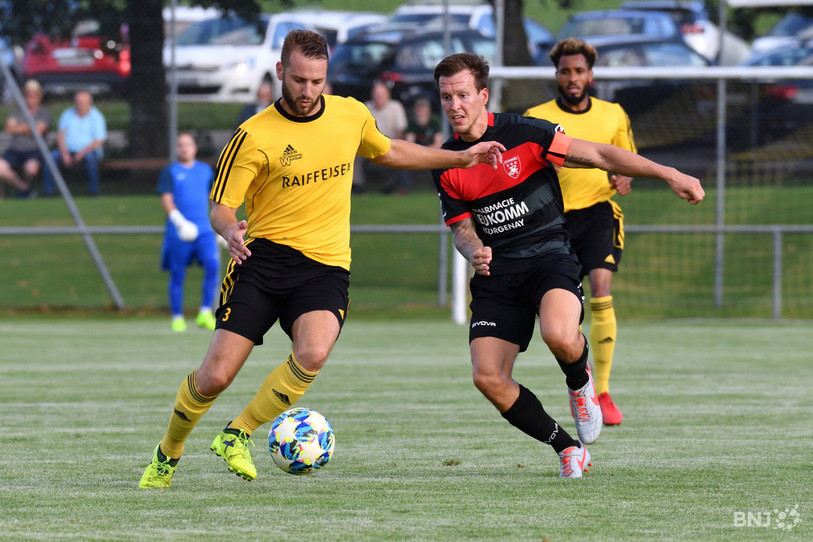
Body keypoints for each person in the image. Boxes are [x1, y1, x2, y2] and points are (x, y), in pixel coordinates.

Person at [139, 30, 505, 489]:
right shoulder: (252, 135)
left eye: (317, 81)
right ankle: (168, 453)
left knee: (313, 351)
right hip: (262, 260)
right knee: (214, 376)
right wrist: (230, 229)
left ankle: (238, 433)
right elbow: (221, 207)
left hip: (325, 265)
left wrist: (460, 159)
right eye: (299, 80)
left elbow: (390, 149)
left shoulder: (350, 114)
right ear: (280, 72)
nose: (308, 91)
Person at [431, 53, 704, 478]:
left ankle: (579, 381)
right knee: (487, 377)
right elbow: (462, 230)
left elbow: (599, 154)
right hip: (498, 275)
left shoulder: (526, 132)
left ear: (483, 95)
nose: (454, 105)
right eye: (446, 97)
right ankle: (567, 448)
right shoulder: (447, 161)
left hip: (548, 257)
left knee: (559, 335)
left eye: (463, 95)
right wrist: (474, 249)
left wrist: (669, 173)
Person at [524, 38, 636, 426]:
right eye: (565, 71)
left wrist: (625, 178)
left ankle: (602, 391)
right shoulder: (536, 117)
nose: (572, 78)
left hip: (599, 214)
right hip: (552, 222)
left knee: (602, 288)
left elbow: (626, 161)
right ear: (556, 75)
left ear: (591, 75)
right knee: (560, 311)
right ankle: (580, 369)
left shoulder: (613, 114)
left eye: (579, 71)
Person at [158, 132, 221, 333]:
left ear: (195, 148)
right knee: (178, 273)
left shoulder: (205, 170)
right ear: (176, 149)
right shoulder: (170, 171)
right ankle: (177, 317)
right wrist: (180, 222)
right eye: (180, 145)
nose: (184, 148)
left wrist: (220, 227)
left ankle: (205, 312)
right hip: (179, 232)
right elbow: (166, 200)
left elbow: (213, 199)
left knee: (213, 265)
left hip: (204, 231)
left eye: (188, 144)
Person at [42, 90, 107, 197]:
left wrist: (81, 153)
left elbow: (98, 141)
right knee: (50, 157)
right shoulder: (67, 114)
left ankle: (94, 191)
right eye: (78, 102)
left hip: (88, 151)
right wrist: (65, 154)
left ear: (89, 103)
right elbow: (61, 136)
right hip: (67, 151)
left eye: (83, 102)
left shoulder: (97, 117)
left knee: (90, 158)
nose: (80, 105)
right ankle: (49, 191)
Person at [353, 81, 409, 194]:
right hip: (368, 145)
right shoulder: (366, 107)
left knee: (398, 152)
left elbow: (400, 131)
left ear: (388, 95)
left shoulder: (396, 107)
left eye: (381, 95)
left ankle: (390, 186)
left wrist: (394, 144)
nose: (378, 98)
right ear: (372, 95)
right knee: (355, 154)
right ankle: (357, 185)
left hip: (389, 143)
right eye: (376, 95)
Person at [0, 79, 50, 198]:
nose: (29, 99)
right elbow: (8, 128)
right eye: (27, 96)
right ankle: (25, 189)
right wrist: (30, 127)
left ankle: (25, 191)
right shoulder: (17, 111)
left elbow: (38, 131)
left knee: (31, 168)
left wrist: (18, 127)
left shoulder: (43, 112)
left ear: (39, 97)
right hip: (15, 150)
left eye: (33, 96)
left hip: (34, 150)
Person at [403, 97, 444, 193]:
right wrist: (418, 152)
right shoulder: (411, 123)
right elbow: (409, 143)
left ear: (428, 111)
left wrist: (424, 151)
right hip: (414, 154)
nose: (420, 113)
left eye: (422, 110)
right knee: (403, 160)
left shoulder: (434, 121)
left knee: (439, 161)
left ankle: (436, 188)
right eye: (418, 110)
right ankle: (404, 188)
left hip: (431, 153)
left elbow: (438, 143)